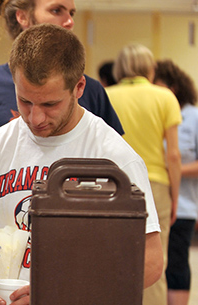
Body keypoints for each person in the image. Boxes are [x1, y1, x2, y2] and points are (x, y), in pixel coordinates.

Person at [0, 24, 163, 305]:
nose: (35, 118)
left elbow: (151, 260)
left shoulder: (114, 157)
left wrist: (58, 292)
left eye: (50, 104)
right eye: (24, 101)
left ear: (79, 87)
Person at [0, 0, 124, 204]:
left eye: (71, 12)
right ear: (23, 17)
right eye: (56, 11)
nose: (69, 21)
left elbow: (118, 175)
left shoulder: (91, 90)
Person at [106, 44, 182, 305]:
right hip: (155, 185)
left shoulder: (107, 96)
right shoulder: (165, 97)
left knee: (113, 257)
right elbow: (173, 154)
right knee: (154, 263)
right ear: (150, 68)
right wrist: (175, 194)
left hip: (113, 185)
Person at [154, 59, 198, 305]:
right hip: (158, 202)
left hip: (183, 206)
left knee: (177, 263)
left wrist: (175, 169)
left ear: (174, 87)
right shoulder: (156, 111)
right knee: (158, 266)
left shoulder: (193, 116)